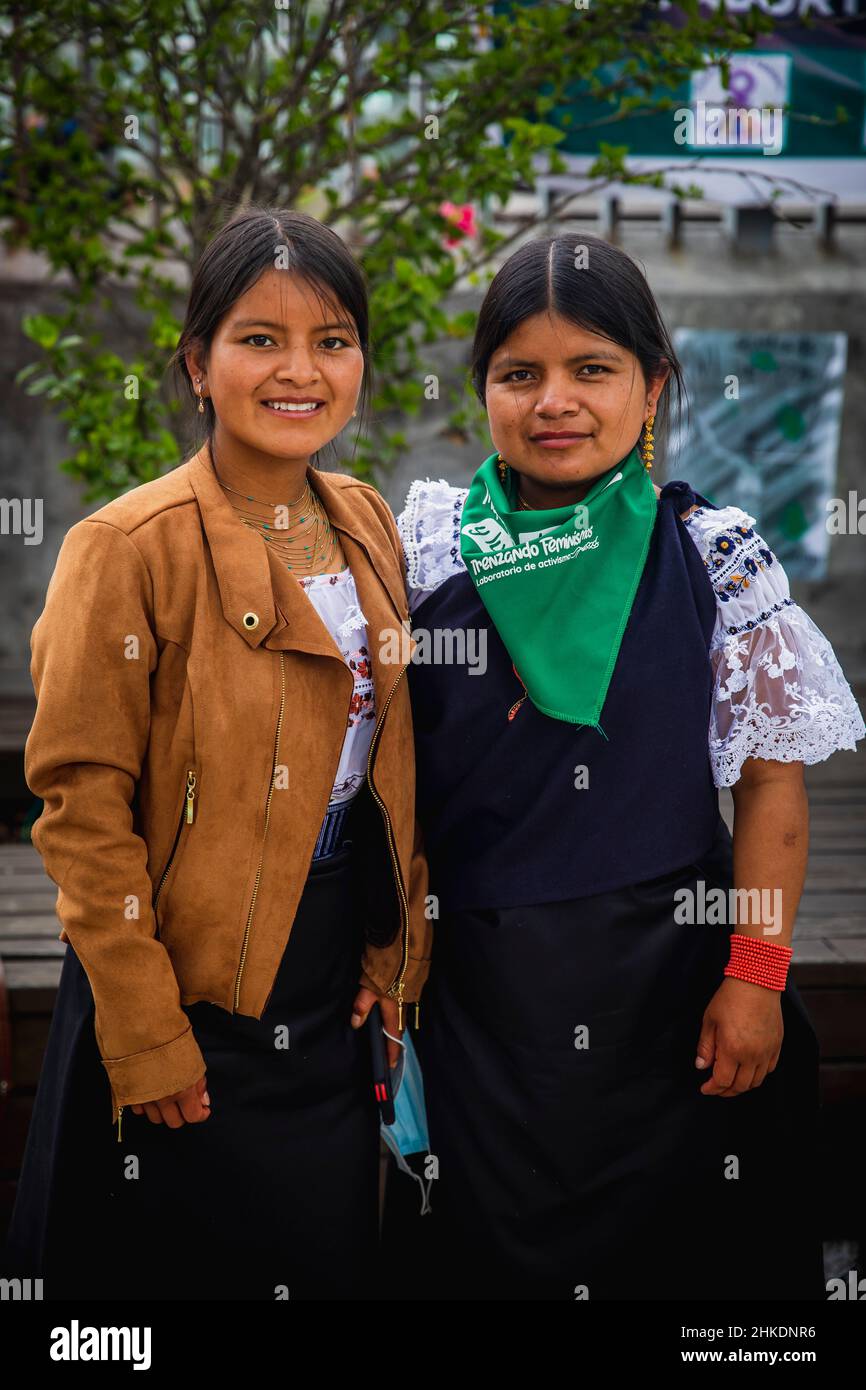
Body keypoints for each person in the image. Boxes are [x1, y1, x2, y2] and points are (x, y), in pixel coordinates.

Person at [393, 233, 865, 1301]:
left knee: (682, 1265)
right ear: (484, 393)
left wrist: (752, 975)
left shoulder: (713, 557)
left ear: (652, 384)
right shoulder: (425, 550)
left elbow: (769, 787)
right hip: (479, 1003)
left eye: (591, 368)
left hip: (672, 991)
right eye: (519, 373)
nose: (553, 400)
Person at [4, 206, 431, 1301]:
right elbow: (80, 809)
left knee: (320, 1256)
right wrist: (144, 1033)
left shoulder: (365, 519)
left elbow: (393, 759)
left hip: (328, 975)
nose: (300, 370)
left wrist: (392, 956)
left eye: (332, 341)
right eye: (259, 339)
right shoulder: (127, 547)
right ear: (197, 365)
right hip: (182, 983)